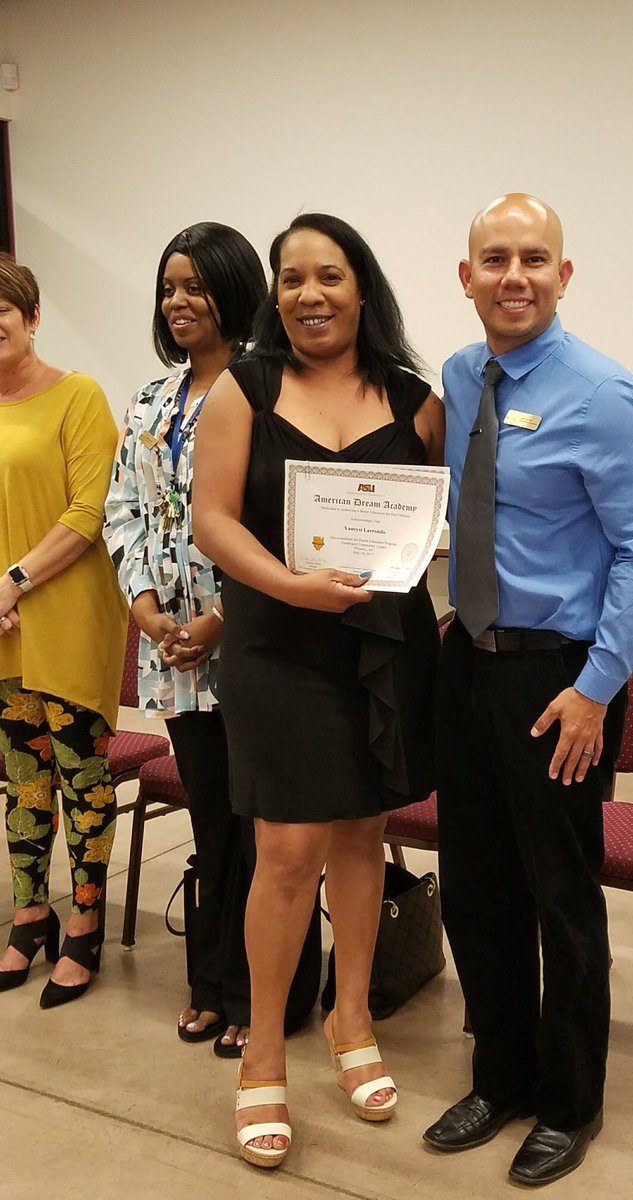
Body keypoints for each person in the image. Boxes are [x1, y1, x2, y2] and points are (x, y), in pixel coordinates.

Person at [423, 194, 633, 1186]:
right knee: (476, 889)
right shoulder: (458, 375)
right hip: (468, 660)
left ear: (564, 277)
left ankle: (570, 1103)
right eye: (495, 259)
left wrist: (595, 691)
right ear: (467, 276)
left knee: (561, 898)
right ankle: (503, 1075)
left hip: (557, 681)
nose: (514, 275)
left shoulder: (605, 393)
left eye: (535, 258)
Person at [192, 212, 444, 1169]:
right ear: (274, 294)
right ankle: (263, 1052)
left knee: (361, 832)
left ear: (362, 287)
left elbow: (431, 515)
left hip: (381, 648)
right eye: (291, 278)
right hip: (277, 643)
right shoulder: (243, 388)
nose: (310, 295)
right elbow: (212, 520)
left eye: (329, 276)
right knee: (288, 848)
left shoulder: (416, 398)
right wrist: (291, 584)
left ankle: (350, 1020)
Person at [105, 222, 272, 1055]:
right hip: (170, 651)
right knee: (209, 820)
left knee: (255, 827)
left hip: (247, 646)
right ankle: (207, 983)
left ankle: (254, 994)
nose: (179, 302)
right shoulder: (149, 401)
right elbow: (124, 510)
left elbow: (279, 527)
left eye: (197, 286)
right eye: (169, 287)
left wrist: (223, 619)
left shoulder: (265, 392)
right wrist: (142, 602)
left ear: (234, 290)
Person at [0, 253, 127, 1008]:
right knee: (20, 779)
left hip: (69, 609)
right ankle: (28, 911)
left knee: (79, 775)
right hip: (3, 622)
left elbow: (89, 511)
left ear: (32, 317)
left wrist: (11, 581)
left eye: (2, 314)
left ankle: (84, 920)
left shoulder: (78, 396)